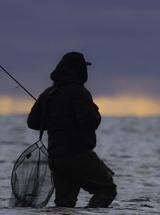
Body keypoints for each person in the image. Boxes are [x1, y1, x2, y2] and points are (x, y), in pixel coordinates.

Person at [27, 51, 117, 208]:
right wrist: (95, 111)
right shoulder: (79, 92)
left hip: (56, 158)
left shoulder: (48, 93)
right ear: (79, 70)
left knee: (64, 204)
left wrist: (56, 118)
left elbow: (33, 122)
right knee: (106, 190)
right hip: (78, 155)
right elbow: (89, 120)